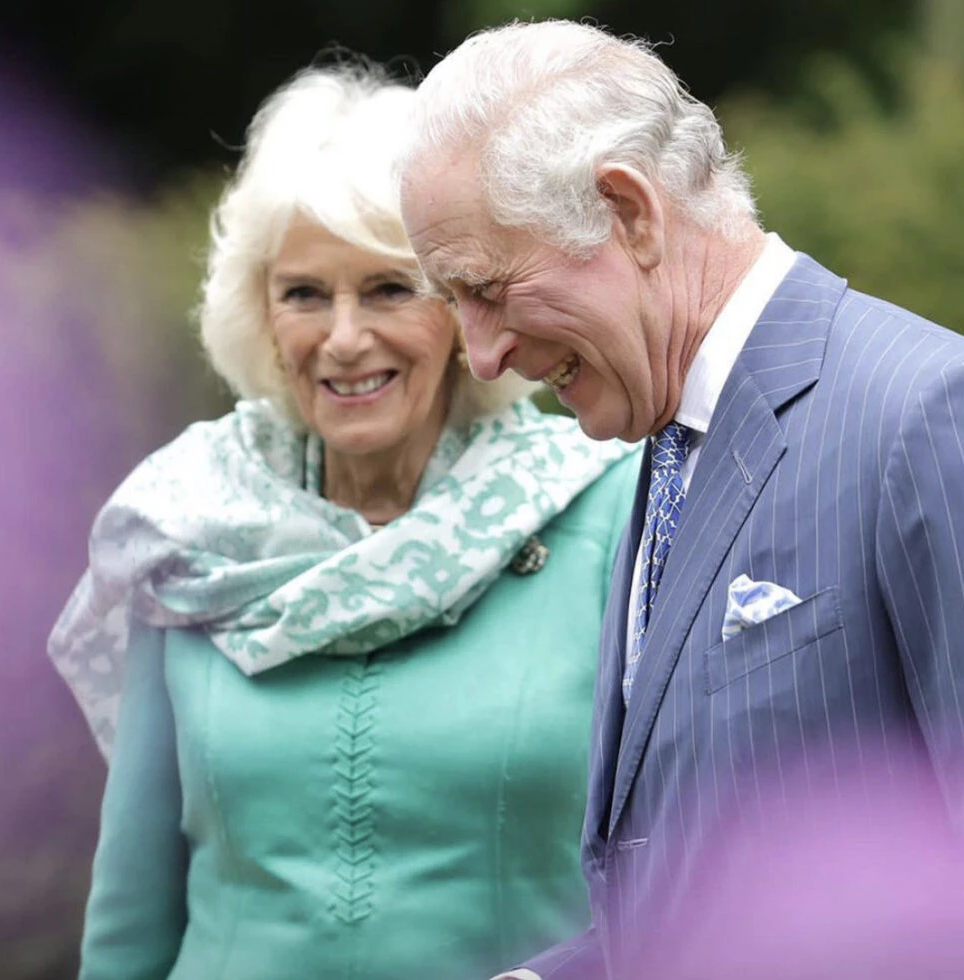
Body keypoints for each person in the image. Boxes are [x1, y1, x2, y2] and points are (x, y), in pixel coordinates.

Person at [398, 19, 964, 980]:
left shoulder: (931, 413)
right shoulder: (670, 440)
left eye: (489, 288)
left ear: (629, 211)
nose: (480, 355)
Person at [48, 64, 641, 980]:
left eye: (390, 289)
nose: (345, 337)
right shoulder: (188, 526)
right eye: (304, 294)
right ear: (260, 313)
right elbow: (132, 904)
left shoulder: (607, 511)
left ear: (464, 307)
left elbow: (677, 872)